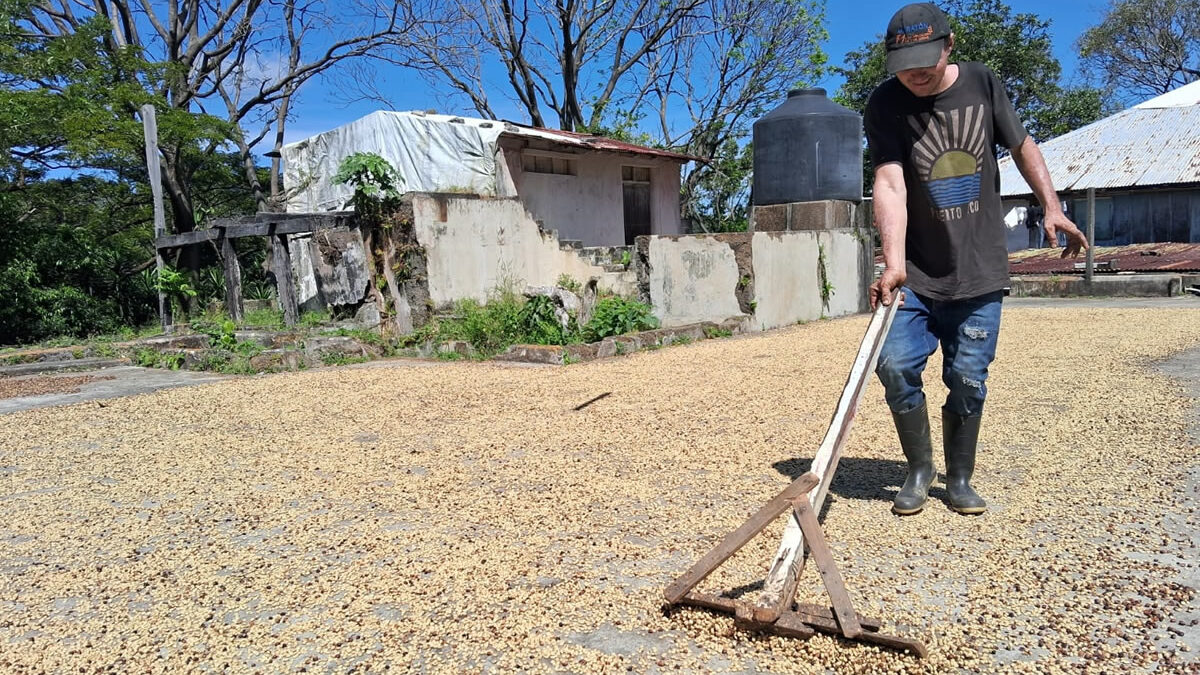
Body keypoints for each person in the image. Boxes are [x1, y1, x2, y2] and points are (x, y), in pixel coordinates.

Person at [864, 2, 1088, 515]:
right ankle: (920, 469)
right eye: (905, 65)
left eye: (926, 59)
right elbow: (890, 181)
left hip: (980, 269)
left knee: (967, 377)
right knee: (894, 364)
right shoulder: (884, 104)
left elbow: (1024, 146)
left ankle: (959, 477)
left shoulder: (983, 83)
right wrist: (893, 262)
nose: (916, 73)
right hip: (917, 271)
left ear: (949, 45)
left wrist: (1051, 206)